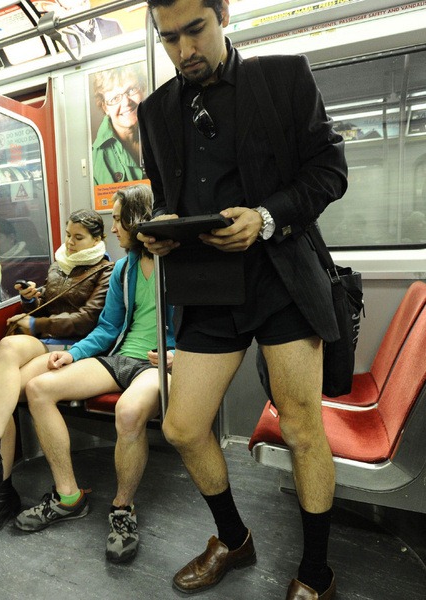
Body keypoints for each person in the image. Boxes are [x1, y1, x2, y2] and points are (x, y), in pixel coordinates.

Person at [137, 2, 348, 599]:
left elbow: (329, 170)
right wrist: (163, 227)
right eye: (169, 39)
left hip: (281, 275)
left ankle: (316, 572)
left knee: (301, 426)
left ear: (223, 12)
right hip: (206, 283)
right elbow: (166, 193)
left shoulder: (282, 78)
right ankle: (233, 538)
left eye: (195, 31)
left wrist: (265, 216)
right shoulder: (155, 111)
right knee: (183, 426)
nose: (184, 51)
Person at [0, 186, 172, 555]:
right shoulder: (124, 269)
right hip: (119, 356)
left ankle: (122, 508)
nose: (114, 228)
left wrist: (177, 355)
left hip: (157, 363)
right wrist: (73, 355)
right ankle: (68, 496)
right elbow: (108, 327)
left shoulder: (178, 268)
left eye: (119, 220)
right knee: (39, 388)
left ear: (139, 222)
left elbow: (201, 327)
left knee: (127, 412)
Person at [0, 208, 113, 536]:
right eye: (68, 235)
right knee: (8, 348)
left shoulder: (107, 270)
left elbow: (88, 319)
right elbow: (49, 303)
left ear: (97, 239)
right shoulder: (60, 264)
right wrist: (31, 299)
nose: (70, 242)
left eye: (78, 237)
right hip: (48, 338)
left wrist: (36, 322)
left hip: (77, 347)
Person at [91, 62, 147, 185]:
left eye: (131, 90)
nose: (126, 102)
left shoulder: (163, 131)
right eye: (115, 98)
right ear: (105, 108)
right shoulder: (96, 159)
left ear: (142, 87)